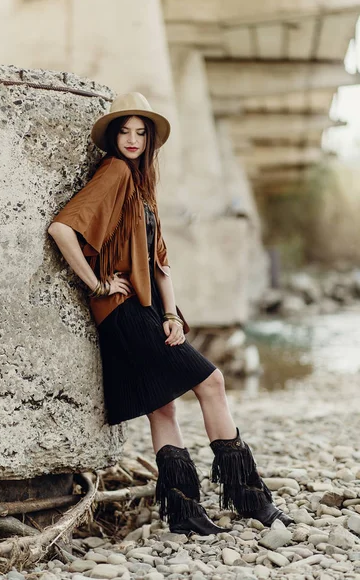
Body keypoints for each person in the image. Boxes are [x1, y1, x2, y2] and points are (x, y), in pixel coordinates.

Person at [48, 92, 293, 536]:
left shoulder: (142, 185)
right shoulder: (116, 171)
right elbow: (62, 228)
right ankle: (250, 499)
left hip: (149, 308)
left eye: (141, 132)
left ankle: (183, 513)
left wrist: (173, 316)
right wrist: (97, 284)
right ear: (113, 136)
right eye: (125, 130)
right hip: (124, 312)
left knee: (162, 409)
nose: (133, 139)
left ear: (151, 139)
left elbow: (160, 262)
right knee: (213, 382)